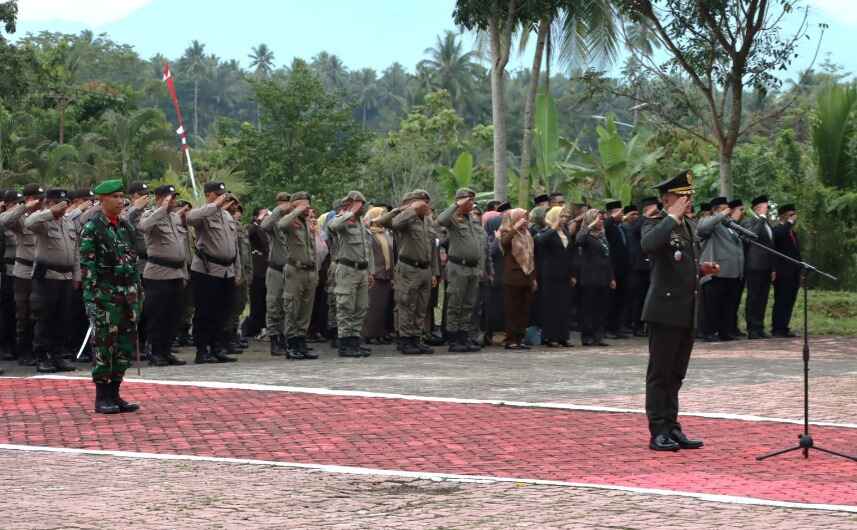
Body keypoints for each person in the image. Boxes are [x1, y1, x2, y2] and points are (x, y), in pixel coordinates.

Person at [641, 170, 719, 451]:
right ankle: (657, 430)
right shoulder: (655, 223)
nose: (689, 201)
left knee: (676, 374)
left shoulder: (688, 225)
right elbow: (648, 246)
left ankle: (673, 427)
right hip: (663, 310)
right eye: (683, 196)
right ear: (668, 199)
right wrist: (671, 217)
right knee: (660, 374)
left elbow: (681, 263)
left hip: (686, 311)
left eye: (690, 196)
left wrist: (701, 269)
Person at [81, 179, 142, 414]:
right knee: (105, 347)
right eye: (115, 197)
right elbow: (88, 267)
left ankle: (115, 394)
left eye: (121, 196)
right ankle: (102, 396)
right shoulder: (92, 228)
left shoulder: (125, 228)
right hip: (104, 297)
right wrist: (94, 299)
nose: (120, 201)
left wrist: (137, 294)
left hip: (127, 296)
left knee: (124, 347)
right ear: (102, 199)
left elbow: (133, 263)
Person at [376, 190, 437, 355]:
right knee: (406, 304)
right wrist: (407, 209)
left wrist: (433, 272)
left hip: (425, 268)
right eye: (422, 202)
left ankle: (417, 338)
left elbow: (433, 249)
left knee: (421, 306)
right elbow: (386, 222)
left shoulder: (428, 221)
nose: (426, 205)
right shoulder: (405, 219)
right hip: (408, 268)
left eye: (427, 202)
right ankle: (405, 340)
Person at [25, 189, 79, 373]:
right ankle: (42, 356)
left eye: (65, 202)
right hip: (47, 276)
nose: (63, 206)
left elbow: (75, 251)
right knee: (44, 318)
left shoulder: (69, 222)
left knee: (62, 318)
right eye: (59, 202)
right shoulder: (42, 220)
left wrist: (76, 275)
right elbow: (29, 222)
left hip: (66, 276)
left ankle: (58, 355)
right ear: (50, 203)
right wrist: (50, 212)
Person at [187, 182, 239, 364]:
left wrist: (237, 270)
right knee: (205, 312)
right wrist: (215, 205)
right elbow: (190, 219)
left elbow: (234, 246)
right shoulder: (203, 213)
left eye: (223, 194)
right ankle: (202, 350)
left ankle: (217, 347)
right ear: (208, 194)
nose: (222, 196)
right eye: (217, 194)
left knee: (223, 311)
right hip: (207, 270)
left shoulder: (227, 216)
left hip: (227, 270)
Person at [138, 185, 189, 367]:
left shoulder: (175, 217)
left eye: (174, 198)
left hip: (176, 272)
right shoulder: (150, 215)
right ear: (159, 198)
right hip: (158, 272)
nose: (173, 201)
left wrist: (184, 273)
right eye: (170, 198)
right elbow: (143, 227)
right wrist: (162, 209)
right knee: (157, 315)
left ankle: (166, 351)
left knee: (173, 315)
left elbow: (180, 246)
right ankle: (154, 351)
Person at [0, 184, 44, 367]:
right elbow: (5, 221)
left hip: (40, 270)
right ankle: (20, 349)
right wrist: (23, 207)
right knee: (20, 312)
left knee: (38, 312)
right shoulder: (19, 218)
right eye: (36, 198)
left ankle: (37, 349)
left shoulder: (43, 217)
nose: (39, 202)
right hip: (18, 272)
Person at [437, 188, 484, 353]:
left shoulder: (470, 219)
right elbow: (441, 220)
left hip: (472, 268)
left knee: (468, 305)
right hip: (458, 267)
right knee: (455, 304)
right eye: (469, 200)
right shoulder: (454, 219)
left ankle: (464, 337)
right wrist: (457, 204)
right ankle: (454, 339)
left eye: (473, 200)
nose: (472, 204)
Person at [328, 191, 374, 357]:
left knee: (361, 307)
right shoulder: (343, 218)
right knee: (346, 307)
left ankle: (354, 342)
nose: (363, 206)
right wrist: (350, 211)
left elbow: (367, 249)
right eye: (360, 203)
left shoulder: (361, 222)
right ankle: (344, 344)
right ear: (352, 204)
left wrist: (370, 272)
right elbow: (332, 227)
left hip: (362, 270)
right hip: (347, 269)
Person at [277, 191, 319, 360]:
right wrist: (295, 210)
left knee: (305, 310)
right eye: (302, 204)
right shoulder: (290, 221)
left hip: (309, 271)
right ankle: (291, 344)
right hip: (295, 270)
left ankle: (301, 342)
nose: (306, 207)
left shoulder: (307, 224)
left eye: (307, 203)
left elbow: (312, 250)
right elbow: (280, 224)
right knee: (292, 308)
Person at [697, 197, 744, 342]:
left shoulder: (729, 225)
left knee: (728, 305)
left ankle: (725, 331)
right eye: (724, 208)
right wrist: (720, 215)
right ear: (715, 210)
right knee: (712, 305)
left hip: (733, 272)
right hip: (716, 271)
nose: (728, 210)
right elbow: (702, 228)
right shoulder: (711, 222)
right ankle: (708, 332)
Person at [534, 206, 575, 347]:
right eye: (561, 216)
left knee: (564, 305)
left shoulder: (565, 232)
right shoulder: (546, 231)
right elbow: (539, 242)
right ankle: (550, 337)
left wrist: (572, 274)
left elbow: (570, 254)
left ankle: (563, 336)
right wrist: (553, 228)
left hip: (564, 274)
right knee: (551, 306)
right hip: (549, 274)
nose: (564, 219)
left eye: (566, 217)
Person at [576, 209, 615, 346]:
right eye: (598, 219)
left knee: (601, 308)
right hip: (589, 277)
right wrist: (590, 226)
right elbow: (579, 240)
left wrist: (612, 277)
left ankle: (599, 336)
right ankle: (587, 336)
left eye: (602, 219)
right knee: (588, 308)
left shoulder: (602, 236)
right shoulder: (586, 235)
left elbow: (608, 257)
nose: (601, 221)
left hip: (603, 277)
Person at [499, 208, 537, 350]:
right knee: (512, 310)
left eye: (526, 218)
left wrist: (533, 279)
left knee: (524, 310)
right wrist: (514, 228)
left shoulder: (527, 234)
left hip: (527, 277)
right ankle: (511, 340)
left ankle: (520, 338)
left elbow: (532, 258)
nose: (525, 221)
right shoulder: (507, 232)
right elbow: (504, 243)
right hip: (513, 278)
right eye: (522, 217)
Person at [260, 192, 291, 356]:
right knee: (273, 305)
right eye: (282, 203)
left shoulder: (293, 221)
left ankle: (287, 338)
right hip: (276, 269)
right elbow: (264, 226)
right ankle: (274, 339)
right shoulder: (274, 222)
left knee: (290, 306)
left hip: (292, 270)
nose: (285, 206)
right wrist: (278, 211)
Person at [742, 195, 775, 339]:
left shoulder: (767, 223)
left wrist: (773, 268)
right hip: (754, 265)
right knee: (754, 297)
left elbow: (771, 246)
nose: (767, 209)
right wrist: (761, 218)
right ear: (757, 208)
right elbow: (752, 235)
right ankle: (752, 329)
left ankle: (760, 327)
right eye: (765, 206)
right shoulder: (749, 221)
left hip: (767, 266)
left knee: (763, 298)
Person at [363, 206, 395, 344]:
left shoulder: (386, 233)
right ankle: (369, 334)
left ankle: (380, 332)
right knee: (372, 306)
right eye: (381, 215)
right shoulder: (368, 233)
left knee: (383, 306)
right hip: (375, 274)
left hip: (386, 274)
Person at [772, 204, 801, 337]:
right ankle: (777, 328)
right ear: (782, 216)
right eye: (790, 215)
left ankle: (784, 327)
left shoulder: (792, 232)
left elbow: (796, 253)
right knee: (781, 300)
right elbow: (779, 237)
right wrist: (788, 223)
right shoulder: (778, 229)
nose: (793, 218)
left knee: (790, 300)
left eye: (794, 215)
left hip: (794, 272)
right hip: (782, 272)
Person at [0, 190, 21, 363]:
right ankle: (6, 345)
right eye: (14, 203)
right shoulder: (4, 219)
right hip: (7, 268)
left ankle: (15, 345)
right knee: (7, 310)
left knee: (18, 310)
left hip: (21, 268)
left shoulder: (23, 220)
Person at [604, 200, 630, 339]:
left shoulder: (621, 227)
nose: (621, 215)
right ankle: (609, 328)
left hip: (623, 268)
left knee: (621, 299)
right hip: (612, 268)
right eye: (618, 212)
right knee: (611, 300)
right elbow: (605, 225)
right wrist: (612, 217)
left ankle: (617, 327)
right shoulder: (608, 225)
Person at [242, 207, 270, 339]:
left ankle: (262, 327)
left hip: (266, 270)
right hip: (257, 270)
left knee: (264, 302)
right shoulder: (253, 227)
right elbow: (247, 232)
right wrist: (258, 220)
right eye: (265, 214)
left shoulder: (266, 229)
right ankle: (250, 329)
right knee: (257, 302)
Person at [626, 201, 652, 337]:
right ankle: (637, 326)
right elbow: (637, 228)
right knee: (639, 298)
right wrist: (646, 215)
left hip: (650, 267)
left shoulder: (650, 223)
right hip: (638, 267)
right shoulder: (634, 225)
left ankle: (646, 325)